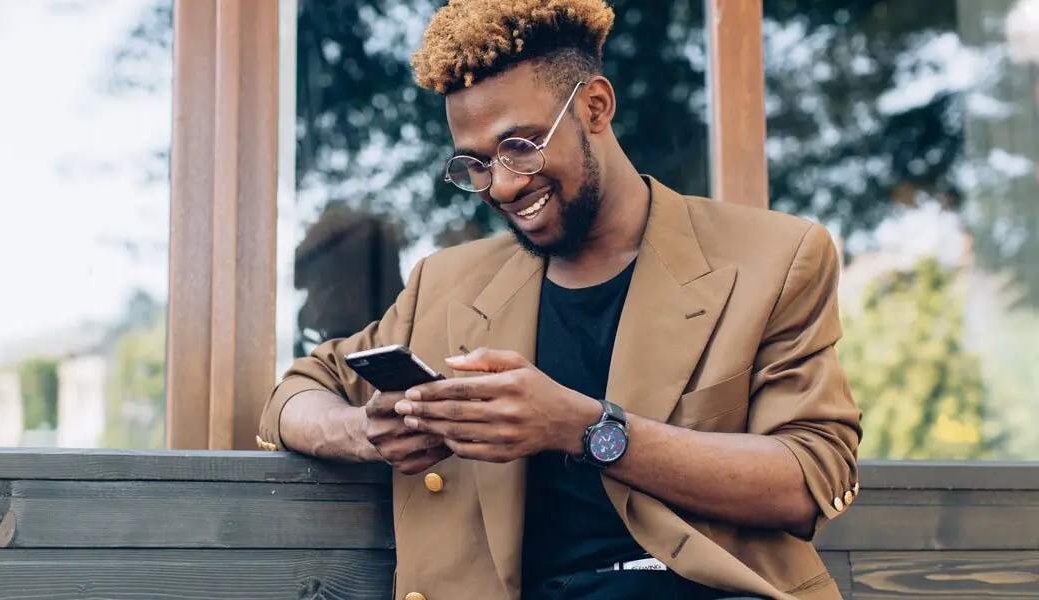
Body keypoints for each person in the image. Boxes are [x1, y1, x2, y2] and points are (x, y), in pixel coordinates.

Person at [256, 1, 862, 598]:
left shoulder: (775, 258)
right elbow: (294, 395)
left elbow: (809, 479)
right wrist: (362, 431)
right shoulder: (447, 284)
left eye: (521, 146)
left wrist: (583, 427)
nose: (504, 184)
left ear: (595, 107)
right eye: (476, 164)